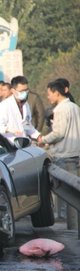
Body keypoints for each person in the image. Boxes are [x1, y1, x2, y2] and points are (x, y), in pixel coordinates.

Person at [38, 80, 80, 228]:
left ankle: (70, 227)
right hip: (74, 154)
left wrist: (43, 139)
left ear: (56, 93)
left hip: (63, 155)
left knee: (65, 195)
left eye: (49, 94)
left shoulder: (60, 109)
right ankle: (73, 226)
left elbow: (58, 133)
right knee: (73, 194)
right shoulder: (75, 107)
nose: (48, 97)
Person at [0, 75, 41, 144]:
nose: (25, 93)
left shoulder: (25, 105)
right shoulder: (4, 106)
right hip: (8, 144)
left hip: (22, 143)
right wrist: (9, 130)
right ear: (13, 91)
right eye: (22, 91)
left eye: (26, 90)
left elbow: (26, 125)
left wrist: (37, 136)